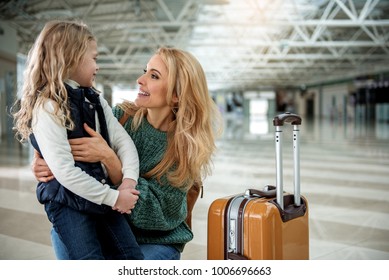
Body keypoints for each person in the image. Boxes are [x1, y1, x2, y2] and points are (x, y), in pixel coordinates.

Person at [32, 46, 223, 260]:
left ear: (177, 95)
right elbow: (65, 143)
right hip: (104, 223)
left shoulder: (185, 149)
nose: (140, 80)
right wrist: (43, 161)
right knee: (62, 233)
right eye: (145, 71)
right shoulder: (120, 116)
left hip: (155, 240)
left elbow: (158, 216)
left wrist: (112, 162)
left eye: (154, 76)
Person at [13, 20, 144, 260]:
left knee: (131, 258)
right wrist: (115, 197)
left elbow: (123, 142)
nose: (98, 66)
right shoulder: (48, 106)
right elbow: (64, 172)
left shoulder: (95, 101)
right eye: (94, 58)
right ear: (70, 58)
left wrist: (128, 182)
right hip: (67, 202)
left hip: (98, 193)